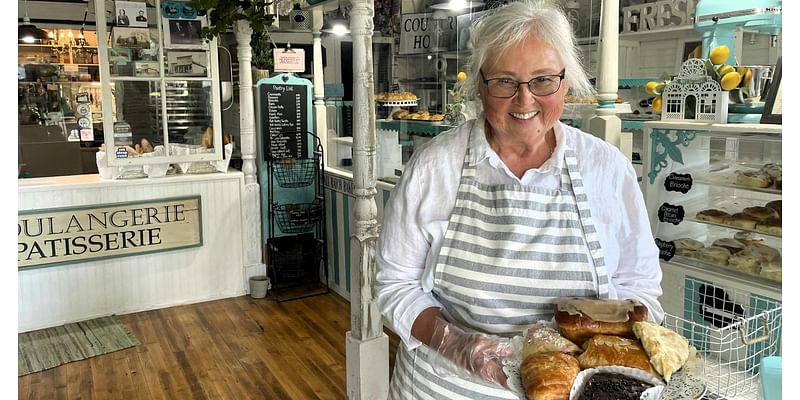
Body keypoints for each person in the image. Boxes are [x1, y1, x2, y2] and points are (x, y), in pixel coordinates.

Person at [375, 0, 664, 398]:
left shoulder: (606, 169)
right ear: (480, 83)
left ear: (566, 81)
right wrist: (455, 343)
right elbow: (395, 284)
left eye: (543, 80)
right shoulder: (434, 166)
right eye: (505, 81)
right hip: (444, 388)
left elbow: (639, 284)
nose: (525, 101)